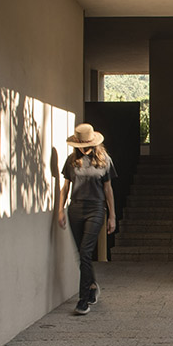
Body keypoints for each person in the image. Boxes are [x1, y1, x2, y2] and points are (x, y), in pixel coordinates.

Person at [58, 122, 116, 315]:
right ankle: (92, 286)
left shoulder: (104, 160)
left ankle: (83, 300)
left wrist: (112, 216)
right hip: (75, 209)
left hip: (96, 209)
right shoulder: (71, 161)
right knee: (81, 254)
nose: (83, 149)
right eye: (80, 146)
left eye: (86, 145)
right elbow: (65, 187)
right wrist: (60, 210)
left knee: (85, 251)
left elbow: (108, 189)